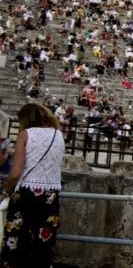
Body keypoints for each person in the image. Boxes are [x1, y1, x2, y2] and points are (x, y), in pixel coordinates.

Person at [1, 103, 66, 267]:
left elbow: (15, 172)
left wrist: (4, 189)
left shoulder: (25, 134)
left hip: (26, 194)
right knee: (44, 242)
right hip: (50, 195)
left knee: (16, 240)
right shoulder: (58, 135)